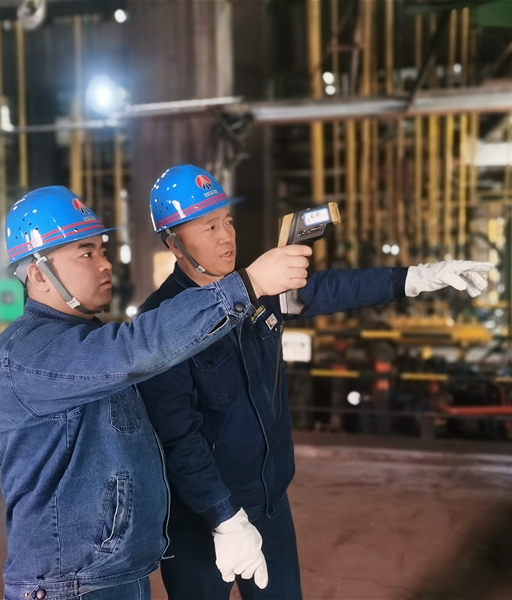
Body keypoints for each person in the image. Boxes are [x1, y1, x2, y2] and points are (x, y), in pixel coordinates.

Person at [137, 164, 493, 599]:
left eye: (228, 221)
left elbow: (331, 288)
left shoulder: (257, 291)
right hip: (199, 520)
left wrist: (416, 278)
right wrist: (223, 517)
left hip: (268, 502)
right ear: (173, 241)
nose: (227, 237)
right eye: (209, 227)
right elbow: (177, 436)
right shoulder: (160, 323)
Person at [0, 185, 312, 600]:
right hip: (69, 585)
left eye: (103, 250)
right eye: (86, 253)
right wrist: (246, 285)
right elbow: (135, 348)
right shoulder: (27, 352)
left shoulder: (88, 340)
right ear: (37, 274)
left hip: (119, 573)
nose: (105, 264)